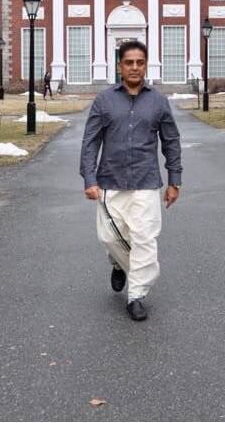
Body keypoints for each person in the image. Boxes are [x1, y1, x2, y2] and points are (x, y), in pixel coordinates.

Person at [79, 41, 182, 321]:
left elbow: (171, 142)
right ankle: (117, 263)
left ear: (145, 64)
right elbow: (90, 142)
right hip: (110, 181)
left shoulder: (158, 101)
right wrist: (89, 178)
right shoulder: (104, 100)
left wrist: (175, 180)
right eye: (129, 62)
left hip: (146, 182)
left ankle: (136, 295)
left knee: (144, 240)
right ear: (119, 66)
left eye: (139, 62)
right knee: (111, 236)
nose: (134, 67)